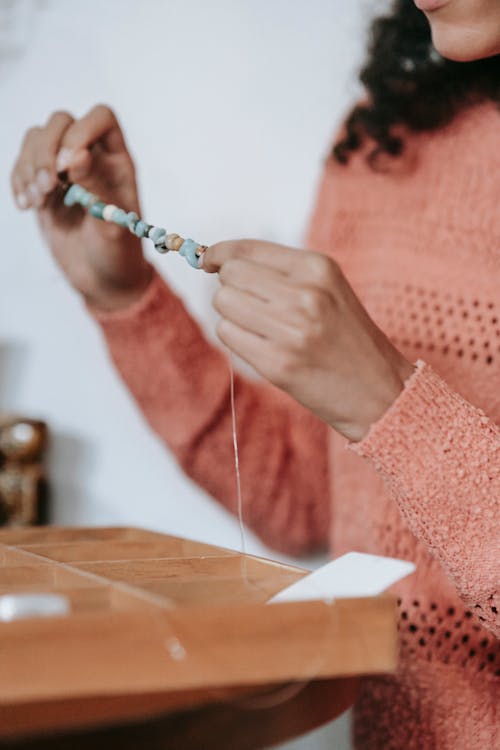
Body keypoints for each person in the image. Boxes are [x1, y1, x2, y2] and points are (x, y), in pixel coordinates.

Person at [10, 0, 499, 746]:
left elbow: (380, 416)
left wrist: (388, 402)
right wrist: (127, 297)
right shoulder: (384, 139)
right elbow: (302, 496)